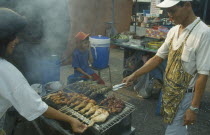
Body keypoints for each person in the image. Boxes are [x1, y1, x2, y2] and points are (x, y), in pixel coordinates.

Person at [123, 0, 210, 134]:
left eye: (173, 11)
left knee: (173, 131)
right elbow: (157, 58)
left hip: (185, 96)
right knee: (175, 127)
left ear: (187, 5)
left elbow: (203, 75)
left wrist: (194, 108)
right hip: (169, 92)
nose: (169, 16)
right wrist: (134, 75)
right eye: (167, 11)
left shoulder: (203, 33)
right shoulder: (173, 31)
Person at [0, 8, 87, 134]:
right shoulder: (6, 72)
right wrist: (71, 120)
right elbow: (35, 106)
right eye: (13, 37)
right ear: (4, 39)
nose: (17, 40)